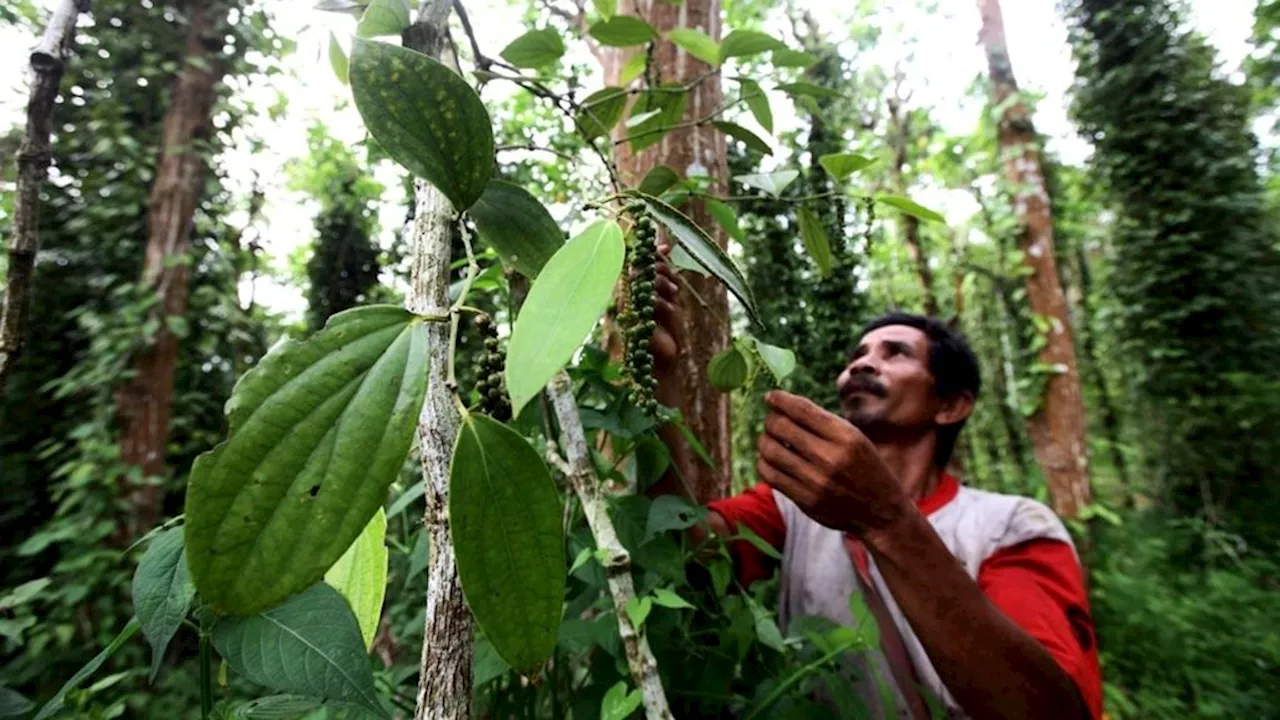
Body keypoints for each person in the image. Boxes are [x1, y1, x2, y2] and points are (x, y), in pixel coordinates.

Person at [645, 245, 1102, 720]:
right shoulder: (794, 509)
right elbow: (683, 554)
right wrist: (659, 378)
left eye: (895, 353)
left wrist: (886, 519)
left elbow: (1049, 710)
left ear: (951, 406)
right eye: (857, 355)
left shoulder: (1010, 525)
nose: (861, 364)